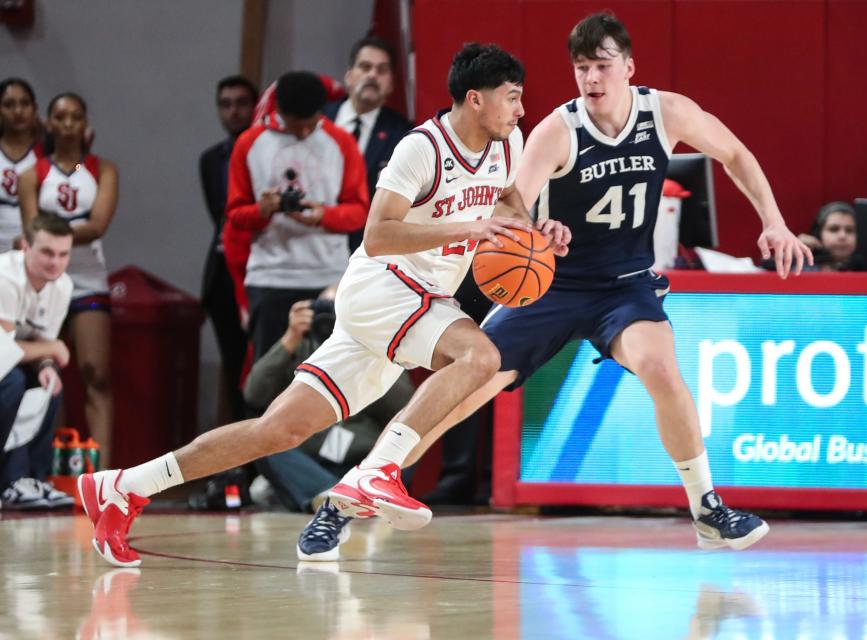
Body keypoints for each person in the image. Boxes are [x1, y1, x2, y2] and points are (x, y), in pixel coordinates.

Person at [331, 12, 814, 554]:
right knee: (466, 392)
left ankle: (707, 508)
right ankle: (351, 492)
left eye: (602, 65)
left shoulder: (667, 112)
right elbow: (511, 206)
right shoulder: (558, 130)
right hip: (552, 284)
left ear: (629, 67)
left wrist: (773, 220)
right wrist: (538, 228)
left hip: (624, 284)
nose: (591, 78)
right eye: (582, 67)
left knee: (661, 367)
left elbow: (735, 154)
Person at [77, 44, 565, 568]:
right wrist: (470, 227)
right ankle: (378, 471)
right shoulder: (421, 148)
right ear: (475, 99)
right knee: (481, 357)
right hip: (385, 283)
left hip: (413, 302)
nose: (520, 110)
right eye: (512, 98)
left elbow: (508, 197)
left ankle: (124, 486)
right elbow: (377, 235)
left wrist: (533, 231)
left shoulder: (507, 143)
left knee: (277, 430)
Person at [226, 71, 368, 359]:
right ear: (279, 112)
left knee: (330, 376)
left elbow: (360, 213)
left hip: (328, 277)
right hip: (270, 278)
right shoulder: (249, 144)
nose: (305, 133)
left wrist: (323, 215)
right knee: (268, 378)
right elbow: (235, 215)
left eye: (311, 124)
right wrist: (263, 210)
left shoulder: (341, 143)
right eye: (296, 126)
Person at [18, 92, 119, 467]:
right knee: (49, 375)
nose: (67, 124)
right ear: (48, 122)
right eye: (59, 117)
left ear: (85, 123)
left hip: (89, 278)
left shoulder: (98, 169)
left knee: (96, 373)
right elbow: (32, 227)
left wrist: (50, 235)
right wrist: (55, 234)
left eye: (75, 116)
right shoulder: (34, 173)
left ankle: (105, 473)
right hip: (44, 281)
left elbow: (97, 225)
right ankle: (47, 468)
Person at [243, 296, 414, 513]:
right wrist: (290, 338)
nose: (332, 318)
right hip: (307, 460)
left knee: (406, 436)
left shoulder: (374, 347)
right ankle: (330, 495)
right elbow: (253, 395)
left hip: (359, 459)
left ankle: (343, 495)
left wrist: (373, 350)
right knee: (264, 437)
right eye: (325, 309)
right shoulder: (299, 346)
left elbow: (405, 406)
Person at [0, 214, 74, 509]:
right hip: (4, 362)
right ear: (24, 247)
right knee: (14, 382)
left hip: (12, 360)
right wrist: (54, 348)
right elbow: (4, 350)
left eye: (63, 254)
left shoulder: (63, 286)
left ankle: (30, 478)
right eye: (46, 252)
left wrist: (46, 364)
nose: (55, 262)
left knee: (49, 384)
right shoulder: (6, 276)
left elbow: (39, 348)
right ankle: (9, 480)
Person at [199, 76, 258, 423]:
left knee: (263, 366)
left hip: (260, 271)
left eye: (240, 103)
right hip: (222, 271)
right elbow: (219, 215)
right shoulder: (210, 160)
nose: (233, 111)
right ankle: (242, 466)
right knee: (234, 364)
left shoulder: (264, 151)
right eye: (225, 104)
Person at [325, 36, 413, 251]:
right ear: (349, 76)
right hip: (311, 245)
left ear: (391, 83)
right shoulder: (318, 120)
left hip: (366, 249)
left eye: (382, 70)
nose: (373, 75)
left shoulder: (404, 134)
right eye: (365, 67)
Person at [0, 78, 41, 252]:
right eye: (9, 105)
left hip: (34, 249)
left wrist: (79, 159)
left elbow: (77, 169)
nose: (18, 111)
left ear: (35, 109)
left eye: (25, 103)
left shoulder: (48, 151)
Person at [796, 201, 862, 272]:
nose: (843, 236)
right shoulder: (799, 268)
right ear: (818, 234)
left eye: (849, 230)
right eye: (834, 229)